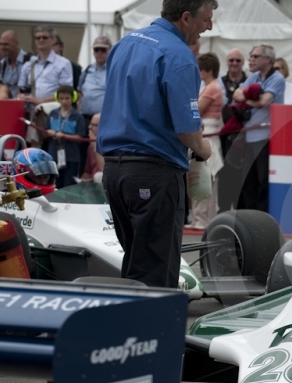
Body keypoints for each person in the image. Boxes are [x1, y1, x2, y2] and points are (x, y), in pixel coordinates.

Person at [97, 0, 215, 289]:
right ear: (186, 18)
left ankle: (128, 330)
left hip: (115, 172)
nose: (209, 26)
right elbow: (187, 130)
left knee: (136, 263)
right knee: (154, 274)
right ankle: (147, 333)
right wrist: (203, 149)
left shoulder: (125, 43)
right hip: (153, 172)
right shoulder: (179, 56)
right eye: (206, 19)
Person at [231, 43, 284, 212]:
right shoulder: (254, 77)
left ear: (267, 59)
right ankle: (250, 217)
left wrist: (247, 98)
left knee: (264, 181)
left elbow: (264, 101)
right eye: (251, 56)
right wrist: (251, 96)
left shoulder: (277, 78)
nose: (251, 60)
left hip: (267, 137)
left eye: (255, 56)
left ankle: (263, 218)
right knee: (248, 180)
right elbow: (235, 94)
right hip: (250, 136)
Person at [190, 52, 224, 230]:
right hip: (208, 134)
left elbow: (197, 109)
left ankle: (203, 219)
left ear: (208, 70)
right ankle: (201, 218)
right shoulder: (211, 87)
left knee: (203, 176)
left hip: (208, 135)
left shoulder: (212, 88)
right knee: (202, 177)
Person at [17, 25, 73, 107]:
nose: (41, 40)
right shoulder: (28, 65)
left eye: (45, 37)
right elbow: (20, 91)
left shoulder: (63, 63)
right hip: (30, 112)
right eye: (38, 38)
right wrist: (21, 96)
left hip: (51, 111)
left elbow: (66, 93)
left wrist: (41, 101)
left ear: (53, 40)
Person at [46, 84, 86, 189]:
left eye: (67, 98)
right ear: (57, 98)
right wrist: (49, 132)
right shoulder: (52, 114)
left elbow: (81, 137)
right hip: (54, 155)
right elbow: (44, 132)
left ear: (73, 98)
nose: (64, 101)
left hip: (72, 156)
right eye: (61, 98)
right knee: (54, 185)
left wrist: (64, 135)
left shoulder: (78, 116)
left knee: (69, 186)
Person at [77, 36, 111, 125]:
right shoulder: (87, 70)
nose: (99, 52)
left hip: (104, 119)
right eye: (96, 49)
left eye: (103, 50)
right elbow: (80, 93)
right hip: (84, 117)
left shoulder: (113, 70)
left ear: (110, 50)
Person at [0, 30, 30, 98]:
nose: (2, 47)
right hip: (8, 104)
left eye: (6, 44)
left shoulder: (30, 61)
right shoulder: (2, 63)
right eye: (0, 44)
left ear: (16, 43)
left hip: (25, 105)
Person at [80, 113, 104, 183]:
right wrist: (82, 179)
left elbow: (104, 169)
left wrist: (95, 147)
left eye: (93, 125)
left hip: (103, 183)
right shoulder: (90, 146)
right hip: (92, 184)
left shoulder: (109, 145)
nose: (89, 127)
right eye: (90, 124)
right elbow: (87, 171)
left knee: (98, 176)